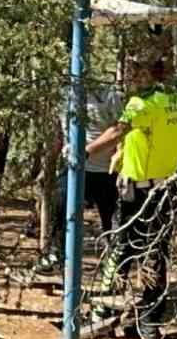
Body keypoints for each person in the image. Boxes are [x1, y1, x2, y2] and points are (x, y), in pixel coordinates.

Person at [84, 52, 177, 339]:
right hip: (166, 186)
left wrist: (86, 150)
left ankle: (105, 308)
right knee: (156, 253)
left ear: (149, 73)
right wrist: (123, 154)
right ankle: (150, 319)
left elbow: (120, 128)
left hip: (140, 191)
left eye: (134, 71)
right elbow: (150, 133)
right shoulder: (176, 99)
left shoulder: (140, 103)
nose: (129, 77)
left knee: (121, 249)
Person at [34, 82, 121, 275]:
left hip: (107, 171)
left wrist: (86, 151)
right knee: (60, 202)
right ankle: (56, 254)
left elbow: (118, 130)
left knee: (113, 222)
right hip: (74, 169)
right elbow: (60, 133)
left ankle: (115, 271)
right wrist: (48, 166)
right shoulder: (63, 93)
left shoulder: (108, 95)